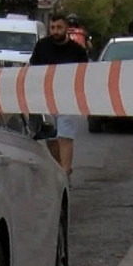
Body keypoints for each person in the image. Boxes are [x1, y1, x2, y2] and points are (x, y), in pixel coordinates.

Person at [30, 13, 88, 176]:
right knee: (52, 138)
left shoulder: (77, 51)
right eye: (53, 28)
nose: (55, 31)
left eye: (59, 28)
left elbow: (84, 74)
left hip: (66, 97)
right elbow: (32, 71)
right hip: (45, 97)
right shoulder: (42, 46)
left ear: (66, 29)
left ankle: (65, 172)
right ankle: (59, 170)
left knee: (65, 134)